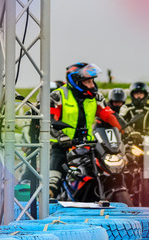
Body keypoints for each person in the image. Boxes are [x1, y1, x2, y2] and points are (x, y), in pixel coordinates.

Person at [48, 62, 122, 199]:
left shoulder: (96, 98)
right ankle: (47, 206)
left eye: (92, 81)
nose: (92, 85)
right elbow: (48, 121)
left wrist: (128, 131)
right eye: (88, 81)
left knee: (109, 172)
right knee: (53, 184)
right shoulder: (58, 96)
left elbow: (111, 116)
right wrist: (60, 136)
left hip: (88, 147)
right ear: (76, 82)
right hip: (61, 147)